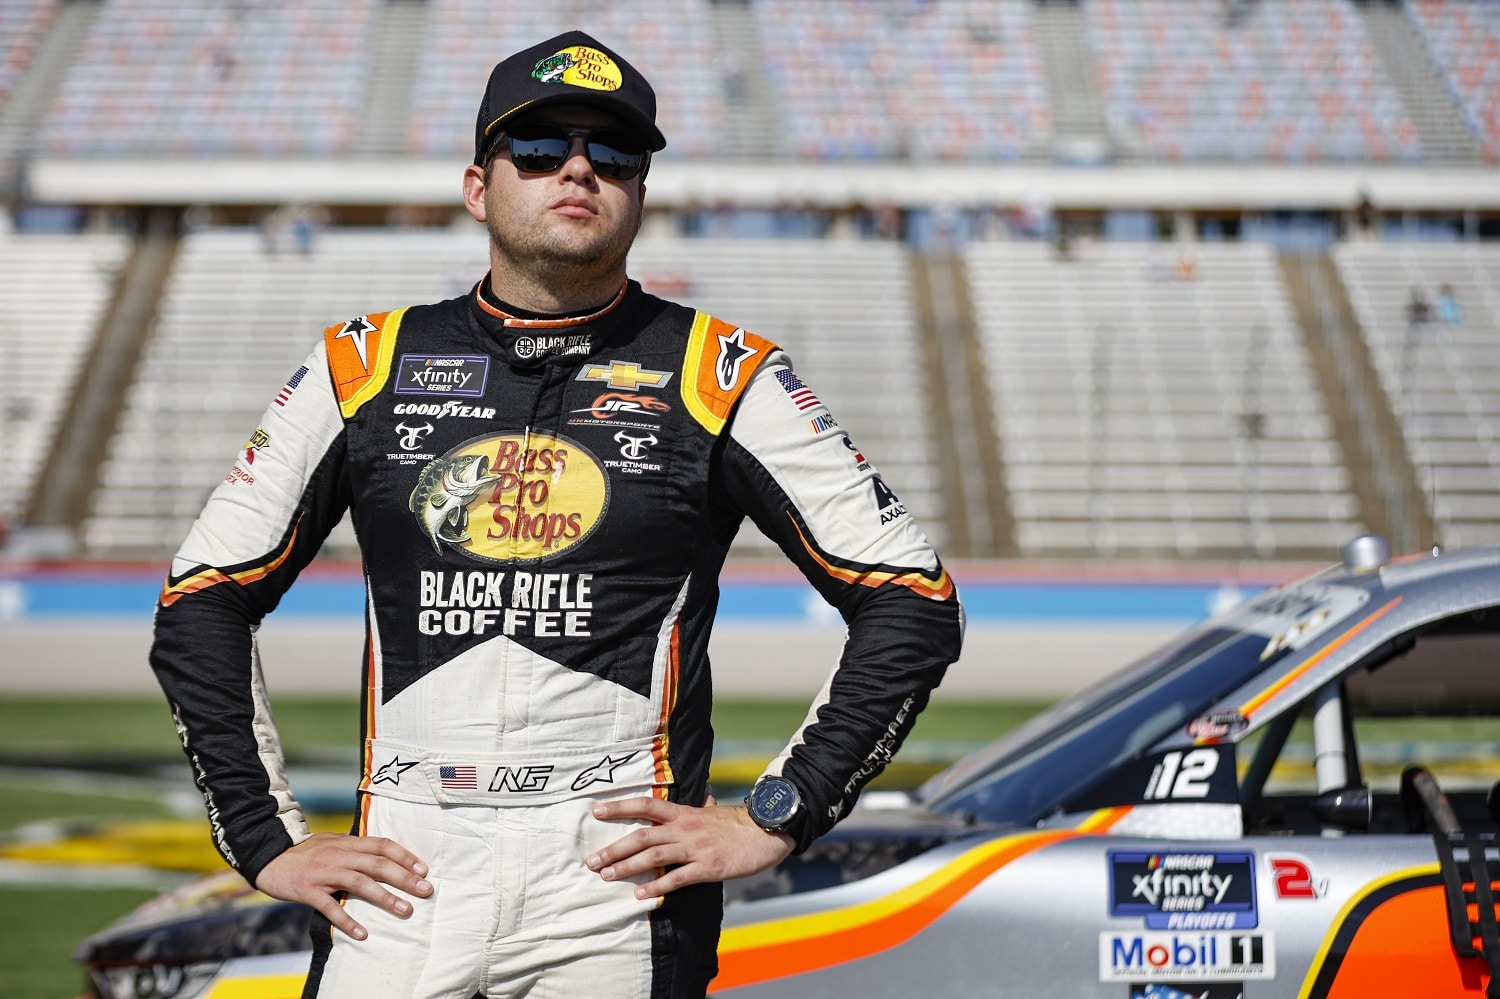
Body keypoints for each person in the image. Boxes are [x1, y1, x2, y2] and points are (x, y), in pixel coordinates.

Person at [149, 30, 963, 999]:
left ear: (640, 194)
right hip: (402, 889)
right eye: (538, 149)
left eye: (614, 153)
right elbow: (200, 598)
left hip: (614, 892)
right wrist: (264, 838)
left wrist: (778, 814)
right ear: (476, 185)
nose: (578, 168)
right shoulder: (360, 365)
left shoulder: (724, 375)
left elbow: (912, 599)